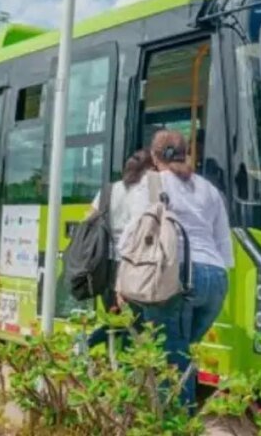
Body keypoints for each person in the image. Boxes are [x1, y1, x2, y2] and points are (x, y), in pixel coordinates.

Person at [119, 130, 233, 409]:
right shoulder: (209, 189)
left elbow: (133, 234)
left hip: (177, 275)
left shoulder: (151, 184)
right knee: (180, 350)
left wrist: (121, 279)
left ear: (154, 156)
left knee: (171, 359)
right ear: (186, 153)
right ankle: (162, 410)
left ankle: (174, 420)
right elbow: (223, 243)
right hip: (216, 279)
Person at [85, 149, 154, 347]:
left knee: (114, 315)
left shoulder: (109, 190)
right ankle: (90, 342)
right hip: (132, 264)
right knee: (135, 321)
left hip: (107, 264)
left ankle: (107, 356)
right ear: (148, 169)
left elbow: (88, 218)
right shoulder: (145, 193)